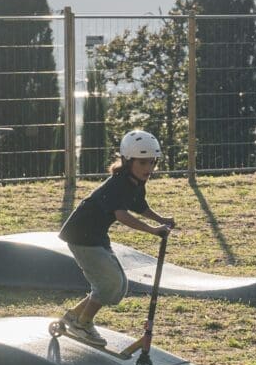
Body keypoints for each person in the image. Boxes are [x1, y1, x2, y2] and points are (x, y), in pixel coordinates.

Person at [58, 130, 175, 346]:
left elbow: (140, 207)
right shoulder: (117, 184)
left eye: (152, 163)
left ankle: (74, 316)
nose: (149, 169)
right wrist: (153, 230)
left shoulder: (135, 182)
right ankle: (82, 324)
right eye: (143, 163)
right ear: (128, 161)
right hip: (81, 236)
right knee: (109, 283)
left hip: (95, 236)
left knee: (118, 286)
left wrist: (162, 219)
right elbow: (121, 215)